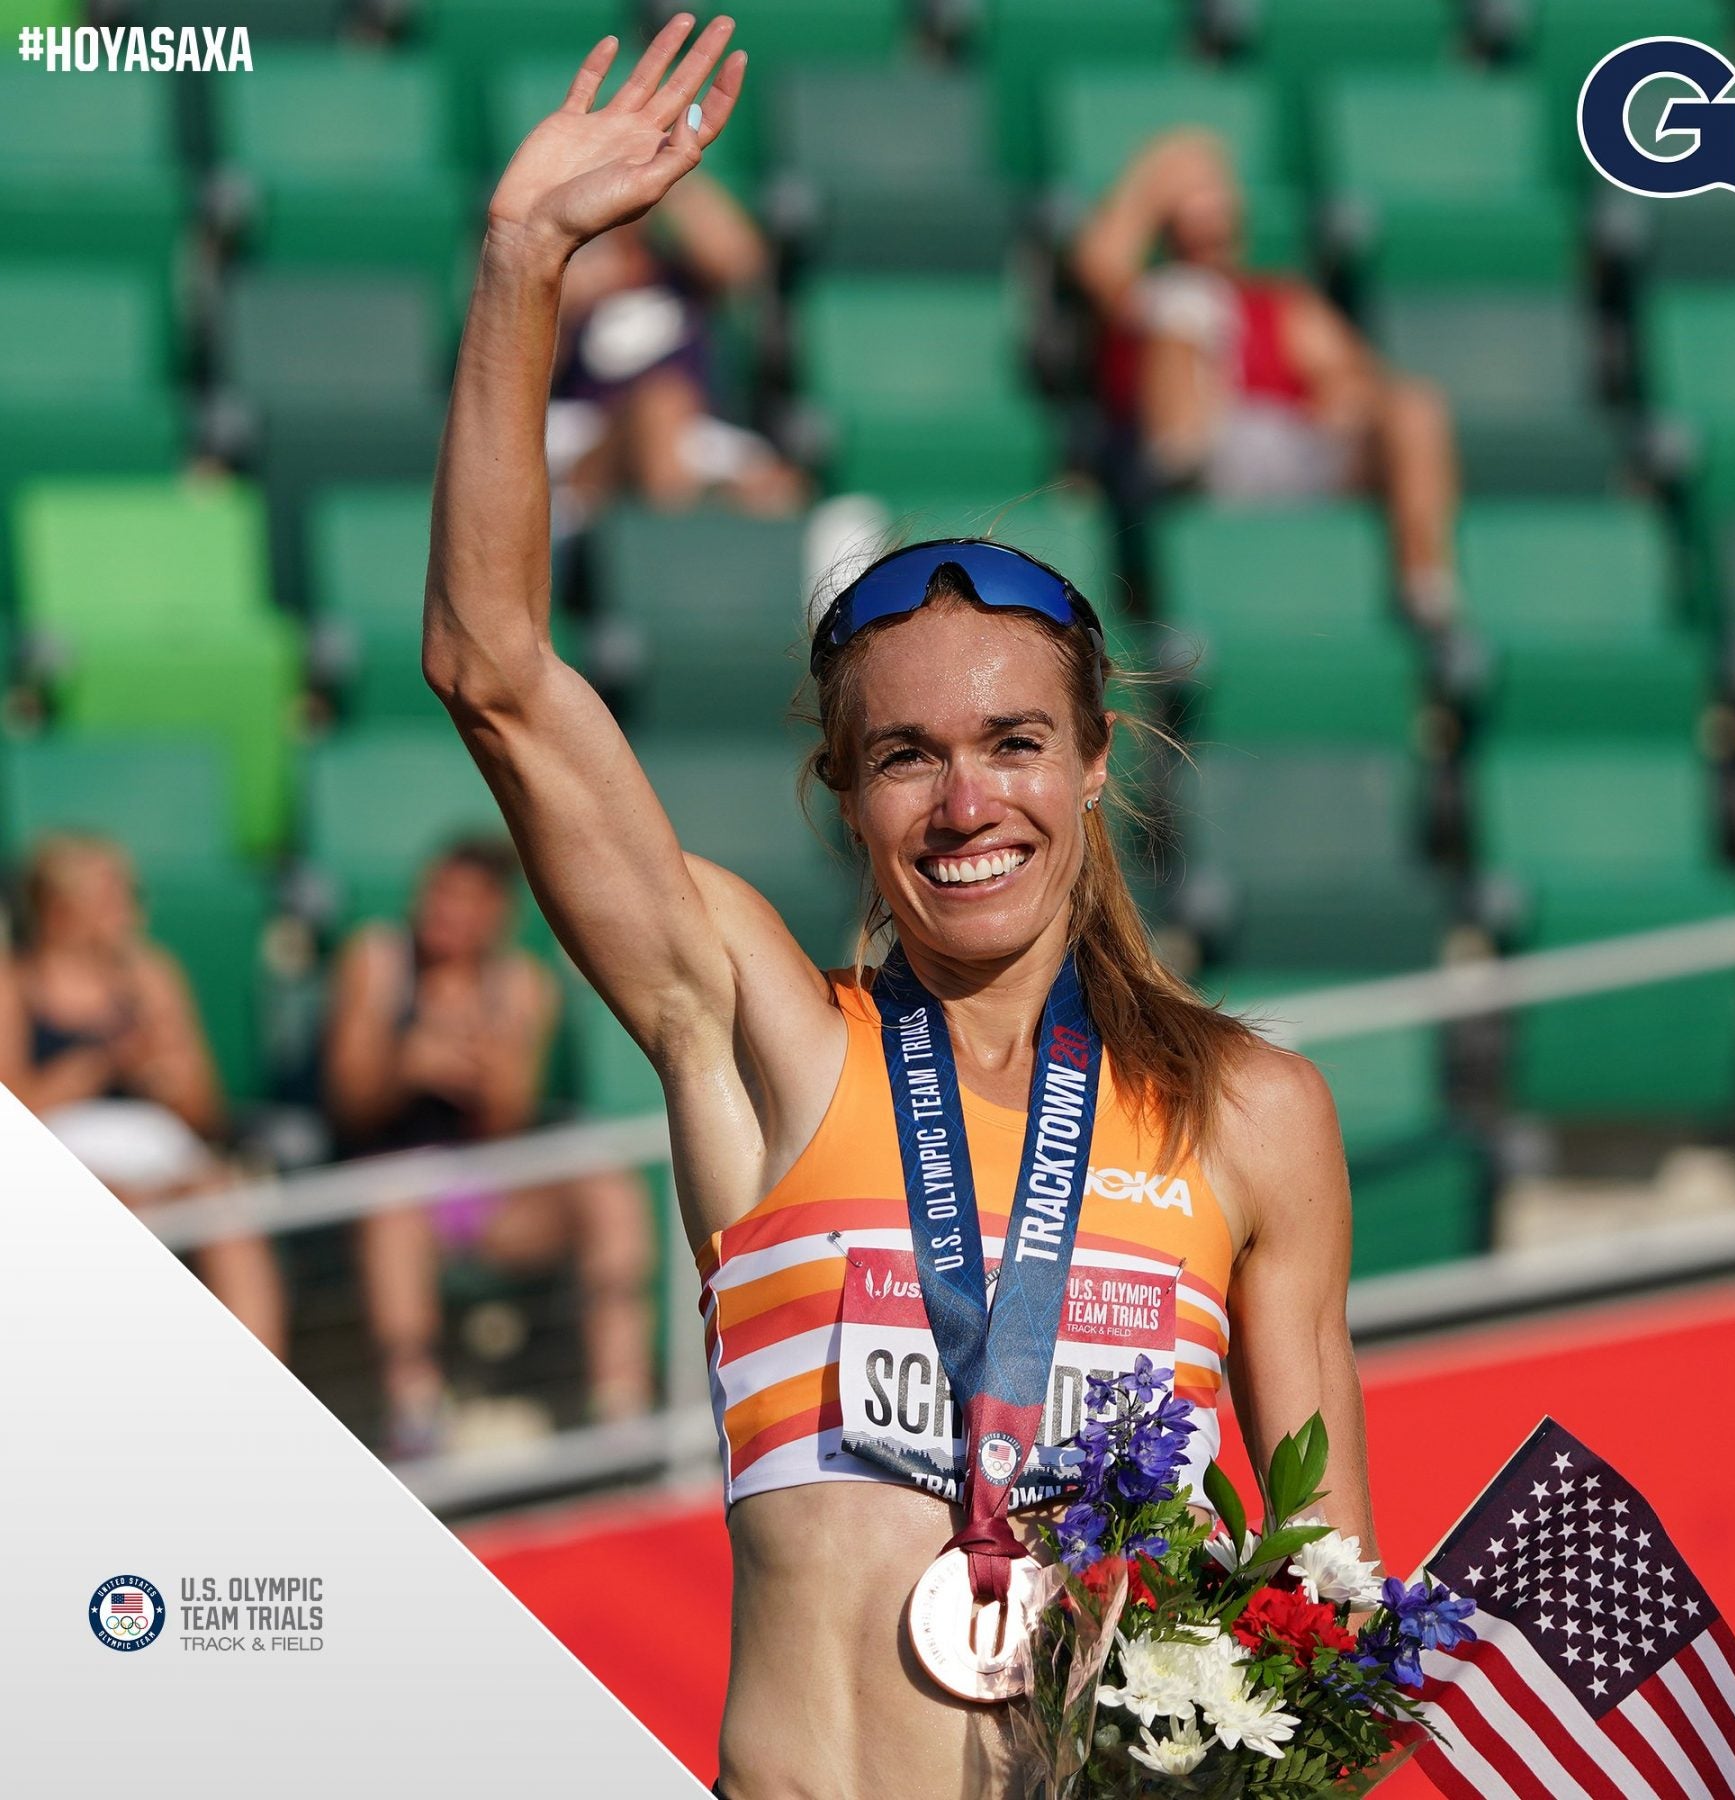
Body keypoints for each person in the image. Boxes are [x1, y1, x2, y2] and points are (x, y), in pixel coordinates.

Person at [427, 18, 1378, 1795]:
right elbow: (493, 673)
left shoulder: (1251, 1116)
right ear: (846, 798)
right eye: (906, 760)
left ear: (1097, 764)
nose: (966, 805)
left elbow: (1330, 1614)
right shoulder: (767, 1041)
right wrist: (521, 268)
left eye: (1016, 745)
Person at [322, 837, 655, 1457]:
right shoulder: (376, 960)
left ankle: (622, 1411)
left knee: (608, 1191)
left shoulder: (522, 985)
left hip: (491, 1194)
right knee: (393, 1208)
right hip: (390, 1193)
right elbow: (348, 1108)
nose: (445, 914)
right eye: (439, 896)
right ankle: (415, 1413)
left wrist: (486, 1063)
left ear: (496, 916)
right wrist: (407, 1069)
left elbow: (510, 1121)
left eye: (465, 903)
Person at [1072, 129, 1461, 625]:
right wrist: (1163, 172)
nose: (1209, 226)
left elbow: (1353, 375)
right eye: (1192, 212)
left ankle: (1426, 587)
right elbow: (1098, 260)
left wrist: (1343, 393)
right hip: (1181, 453)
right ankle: (1184, 510)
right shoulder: (1146, 300)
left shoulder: (1279, 302)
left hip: (1285, 447)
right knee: (1183, 307)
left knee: (1414, 406)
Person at [0, 833, 287, 1357]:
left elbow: (206, 1112)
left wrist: (165, 1077)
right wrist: (99, 1065)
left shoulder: (154, 977)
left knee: (222, 1204)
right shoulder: (13, 986)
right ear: (60, 909)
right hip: (67, 1164)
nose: (132, 910)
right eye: (113, 896)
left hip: (163, 1162)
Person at [546, 166, 806, 533]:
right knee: (659, 406)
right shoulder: (563, 280)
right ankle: (667, 540)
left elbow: (743, 265)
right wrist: (555, 298)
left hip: (691, 433)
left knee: (779, 491)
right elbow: (523, 381)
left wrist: (667, 171)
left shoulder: (678, 276)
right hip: (586, 434)